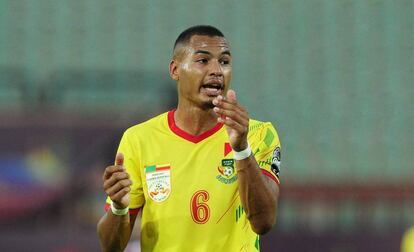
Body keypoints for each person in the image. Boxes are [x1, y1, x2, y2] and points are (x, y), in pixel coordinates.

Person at [97, 25, 282, 252]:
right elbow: (110, 247)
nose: (216, 70)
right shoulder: (139, 139)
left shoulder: (257, 134)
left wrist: (242, 149)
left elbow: (264, 223)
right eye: (203, 61)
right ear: (175, 70)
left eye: (224, 62)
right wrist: (118, 208)